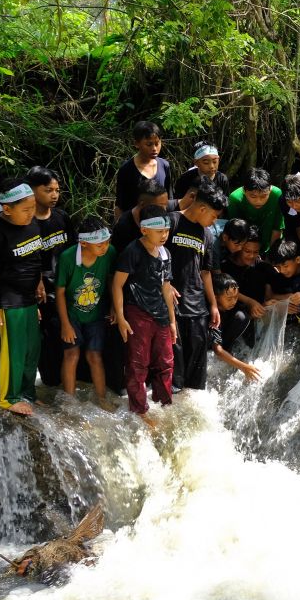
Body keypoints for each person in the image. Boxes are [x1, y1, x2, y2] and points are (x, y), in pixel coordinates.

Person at [0, 180, 44, 415]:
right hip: (6, 300)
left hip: (29, 299)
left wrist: (39, 285)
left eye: (33, 207)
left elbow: (35, 258)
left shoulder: (31, 222)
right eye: (26, 209)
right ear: (7, 209)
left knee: (30, 350)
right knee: (11, 351)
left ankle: (27, 393)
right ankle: (7, 398)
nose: (31, 214)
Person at [112, 206, 176, 422]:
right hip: (138, 312)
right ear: (144, 230)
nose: (164, 235)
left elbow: (166, 288)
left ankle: (164, 404)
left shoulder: (165, 252)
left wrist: (172, 321)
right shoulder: (133, 251)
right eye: (160, 232)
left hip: (161, 314)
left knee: (166, 361)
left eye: (166, 231)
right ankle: (139, 410)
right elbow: (117, 285)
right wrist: (121, 318)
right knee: (138, 364)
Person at [166, 177, 226, 392]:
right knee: (175, 362)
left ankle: (191, 399)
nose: (214, 221)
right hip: (173, 305)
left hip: (197, 307)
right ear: (201, 208)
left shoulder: (207, 235)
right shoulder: (171, 222)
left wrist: (213, 305)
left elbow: (206, 272)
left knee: (197, 367)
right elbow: (154, 257)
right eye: (213, 216)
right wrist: (166, 284)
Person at [56, 216, 115, 406]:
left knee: (94, 355)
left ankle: (101, 399)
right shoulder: (67, 257)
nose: (104, 248)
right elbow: (60, 291)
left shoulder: (110, 253)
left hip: (96, 314)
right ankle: (69, 402)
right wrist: (65, 324)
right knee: (71, 354)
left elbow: (112, 280)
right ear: (83, 243)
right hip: (72, 314)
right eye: (99, 245)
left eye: (107, 243)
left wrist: (114, 307)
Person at [27, 165, 73, 388]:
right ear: (32, 190)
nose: (54, 195)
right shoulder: (26, 223)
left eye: (57, 190)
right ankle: (50, 385)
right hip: (41, 291)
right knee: (48, 341)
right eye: (48, 190)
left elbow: (75, 251)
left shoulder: (62, 217)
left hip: (66, 286)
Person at [114, 120, 173, 219]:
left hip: (159, 225)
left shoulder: (164, 166)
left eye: (157, 143)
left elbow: (169, 199)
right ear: (137, 144)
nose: (154, 148)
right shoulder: (126, 169)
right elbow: (120, 205)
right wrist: (120, 228)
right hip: (133, 225)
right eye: (149, 144)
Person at [208, 272, 261, 382]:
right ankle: (228, 357)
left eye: (236, 297)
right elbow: (217, 350)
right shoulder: (212, 316)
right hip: (210, 352)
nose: (233, 301)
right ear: (216, 297)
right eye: (229, 298)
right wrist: (244, 367)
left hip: (224, 342)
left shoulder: (232, 307)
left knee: (243, 317)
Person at [112, 177, 174, 254]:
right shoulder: (123, 227)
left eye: (166, 205)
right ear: (142, 204)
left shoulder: (166, 218)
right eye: (160, 206)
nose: (164, 210)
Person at [227, 168, 284, 250]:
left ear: (270, 190)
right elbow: (236, 232)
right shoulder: (235, 199)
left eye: (264, 196)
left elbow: (277, 228)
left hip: (271, 242)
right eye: (253, 196)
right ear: (244, 191)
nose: (258, 201)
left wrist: (271, 255)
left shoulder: (277, 195)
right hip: (245, 246)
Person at [174, 140, 231, 206]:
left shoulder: (222, 179)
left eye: (215, 162)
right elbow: (179, 204)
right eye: (206, 163)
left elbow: (225, 205)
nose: (211, 166)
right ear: (196, 162)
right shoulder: (185, 179)